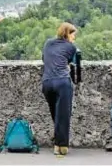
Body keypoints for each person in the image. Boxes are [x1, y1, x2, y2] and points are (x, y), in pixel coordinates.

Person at [41, 22, 78, 156]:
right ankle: (61, 146)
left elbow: (45, 59)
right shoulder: (71, 47)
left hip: (47, 83)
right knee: (63, 115)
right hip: (62, 82)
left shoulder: (48, 43)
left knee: (55, 114)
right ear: (67, 33)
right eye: (73, 35)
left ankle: (58, 141)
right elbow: (70, 62)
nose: (74, 38)